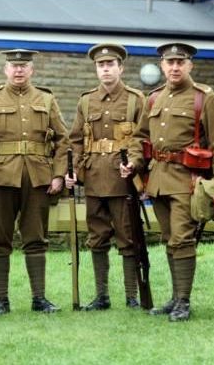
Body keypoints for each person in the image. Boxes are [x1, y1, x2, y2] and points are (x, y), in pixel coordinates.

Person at [124, 43, 214, 321]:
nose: (174, 67)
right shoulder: (154, 98)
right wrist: (134, 162)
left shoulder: (204, 98)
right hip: (158, 179)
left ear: (190, 66)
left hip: (188, 181)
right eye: (169, 62)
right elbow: (140, 138)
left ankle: (183, 301)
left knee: (183, 239)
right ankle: (174, 298)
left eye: (180, 62)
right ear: (161, 65)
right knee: (169, 238)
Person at [0, 49, 70, 315]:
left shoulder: (46, 99)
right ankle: (2, 300)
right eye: (13, 66)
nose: (19, 70)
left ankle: (39, 298)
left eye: (24, 66)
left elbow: (63, 140)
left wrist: (59, 174)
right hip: (1, 178)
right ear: (5, 70)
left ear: (31, 70)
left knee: (36, 238)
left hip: (38, 179)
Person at [65, 43, 145, 310]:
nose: (106, 69)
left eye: (111, 64)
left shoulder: (136, 99)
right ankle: (102, 296)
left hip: (123, 179)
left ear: (121, 68)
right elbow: (76, 140)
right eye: (101, 65)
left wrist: (136, 165)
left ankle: (132, 295)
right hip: (94, 177)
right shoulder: (86, 101)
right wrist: (74, 171)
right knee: (97, 237)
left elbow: (143, 139)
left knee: (128, 237)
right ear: (96, 69)